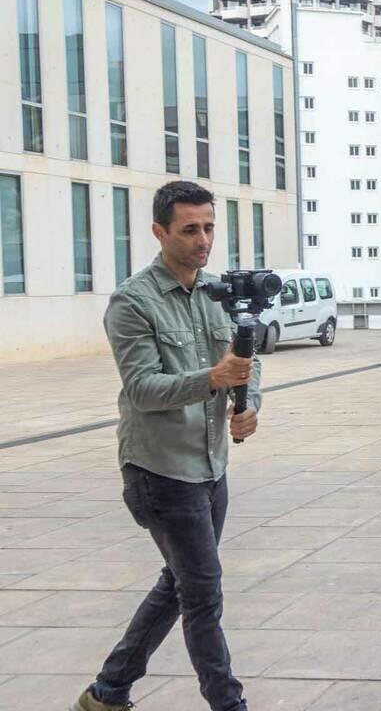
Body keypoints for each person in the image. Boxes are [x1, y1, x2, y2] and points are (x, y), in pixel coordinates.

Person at [72, 182, 261, 711]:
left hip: (210, 465)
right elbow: (143, 388)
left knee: (179, 584)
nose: (203, 240)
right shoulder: (132, 302)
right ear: (159, 232)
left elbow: (247, 362)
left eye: (209, 228)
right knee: (202, 593)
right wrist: (213, 378)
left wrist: (249, 404)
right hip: (161, 471)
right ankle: (228, 703)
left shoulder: (216, 293)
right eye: (190, 230)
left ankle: (108, 692)